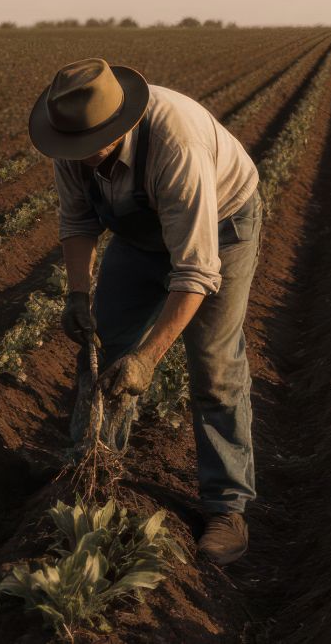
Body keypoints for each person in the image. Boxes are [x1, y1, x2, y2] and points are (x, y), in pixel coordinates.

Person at [27, 57, 261, 564]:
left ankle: (227, 506)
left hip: (220, 225)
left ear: (118, 126)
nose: (80, 157)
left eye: (91, 146)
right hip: (139, 233)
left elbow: (196, 270)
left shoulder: (176, 145)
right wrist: (77, 295)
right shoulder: (71, 142)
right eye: (74, 148)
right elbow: (78, 220)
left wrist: (149, 359)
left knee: (214, 365)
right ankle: (93, 468)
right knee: (107, 343)